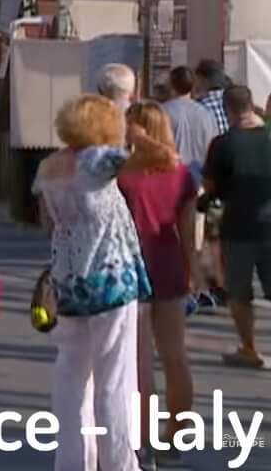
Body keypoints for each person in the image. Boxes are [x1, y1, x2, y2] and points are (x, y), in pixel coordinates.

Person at [33, 93, 169, 471]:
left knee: (72, 375)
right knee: (115, 378)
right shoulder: (98, 159)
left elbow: (48, 223)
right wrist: (138, 131)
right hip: (110, 278)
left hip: (70, 278)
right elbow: (164, 159)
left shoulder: (50, 166)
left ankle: (73, 462)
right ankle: (119, 463)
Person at [115, 101, 199, 455]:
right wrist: (192, 271)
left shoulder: (122, 175)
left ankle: (143, 440)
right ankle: (176, 435)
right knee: (174, 356)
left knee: (139, 361)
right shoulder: (181, 176)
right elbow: (189, 229)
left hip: (132, 269)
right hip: (170, 265)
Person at [201, 85, 271, 370]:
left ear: (228, 110)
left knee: (239, 291)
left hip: (237, 227)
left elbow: (210, 186)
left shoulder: (223, 144)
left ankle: (249, 348)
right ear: (252, 105)